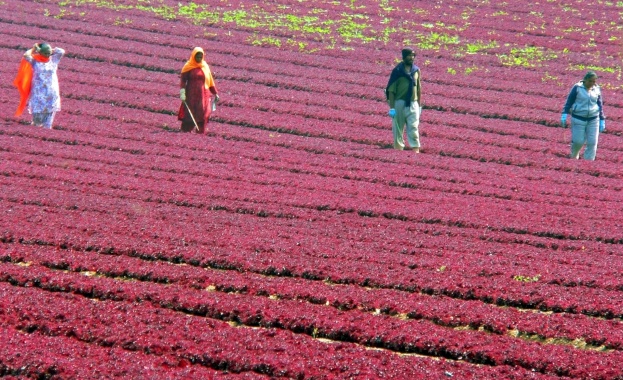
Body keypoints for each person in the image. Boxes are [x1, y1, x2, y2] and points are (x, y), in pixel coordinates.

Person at [14, 42, 65, 129]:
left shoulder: (53, 60)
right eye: (45, 53)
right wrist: (34, 49)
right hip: (39, 94)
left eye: (48, 53)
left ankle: (45, 135)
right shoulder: (35, 61)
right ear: (40, 52)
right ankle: (35, 135)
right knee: (37, 121)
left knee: (48, 123)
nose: (47, 55)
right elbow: (26, 55)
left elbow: (61, 51)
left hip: (51, 94)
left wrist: (50, 50)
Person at [561, 71, 606, 160]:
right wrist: (564, 114)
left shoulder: (596, 89)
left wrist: (602, 119)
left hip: (593, 119)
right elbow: (569, 101)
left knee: (592, 143)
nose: (592, 83)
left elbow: (599, 104)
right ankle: (574, 158)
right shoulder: (577, 88)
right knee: (578, 142)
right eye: (590, 81)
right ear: (585, 80)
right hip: (578, 118)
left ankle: (587, 163)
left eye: (594, 81)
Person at [386, 47, 422, 153]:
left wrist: (419, 105)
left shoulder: (416, 70)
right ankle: (399, 151)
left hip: (413, 103)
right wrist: (392, 108)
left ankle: (416, 150)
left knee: (414, 127)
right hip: (399, 103)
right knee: (398, 129)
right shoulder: (397, 71)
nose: (411, 58)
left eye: (413, 55)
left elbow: (419, 88)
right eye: (409, 55)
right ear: (404, 57)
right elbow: (391, 91)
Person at [178, 47, 219, 134]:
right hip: (191, 95)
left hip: (203, 95)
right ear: (193, 56)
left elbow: (210, 81)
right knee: (190, 114)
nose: (199, 59)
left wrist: (215, 93)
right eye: (197, 57)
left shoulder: (205, 66)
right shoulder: (188, 66)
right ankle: (185, 132)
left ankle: (200, 134)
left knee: (203, 114)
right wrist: (182, 93)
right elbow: (183, 81)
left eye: (201, 57)